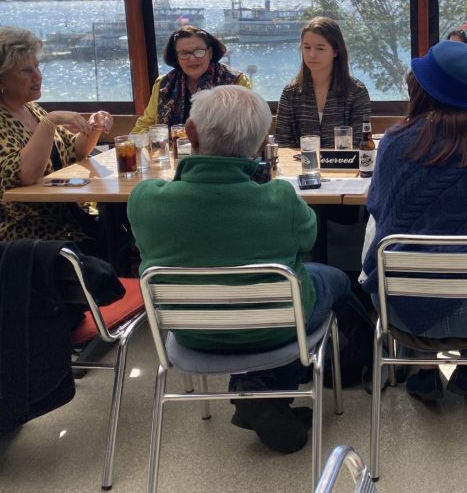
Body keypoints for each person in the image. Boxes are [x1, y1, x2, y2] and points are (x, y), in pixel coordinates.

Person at [128, 84, 352, 454]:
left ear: (191, 132)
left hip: (191, 334)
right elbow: (308, 240)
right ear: (262, 141)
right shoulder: (280, 199)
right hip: (277, 328)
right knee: (337, 280)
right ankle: (291, 385)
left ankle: (259, 391)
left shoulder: (145, 200)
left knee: (255, 289)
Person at [360, 40, 467, 402]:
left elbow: (377, 206)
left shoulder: (394, 143)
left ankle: (424, 371)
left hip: (402, 309)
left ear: (421, 89)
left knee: (386, 239)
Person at [0, 28, 113, 242]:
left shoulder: (32, 110)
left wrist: (94, 127)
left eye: (36, 67)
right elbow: (22, 176)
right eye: (26, 71)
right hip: (4, 236)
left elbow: (73, 151)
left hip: (55, 223)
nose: (38, 76)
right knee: (107, 239)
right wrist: (50, 121)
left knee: (117, 227)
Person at [131, 25, 250, 134]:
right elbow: (145, 126)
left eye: (199, 52)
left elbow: (248, 127)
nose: (192, 59)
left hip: (221, 154)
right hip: (172, 155)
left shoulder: (236, 81)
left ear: (210, 53)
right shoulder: (163, 85)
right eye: (184, 53)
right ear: (177, 58)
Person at [274, 17, 371, 149]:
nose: (312, 54)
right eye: (306, 47)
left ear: (335, 51)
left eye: (320, 48)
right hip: (301, 166)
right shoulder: (291, 92)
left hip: (344, 167)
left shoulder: (356, 92)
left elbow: (359, 143)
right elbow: (283, 142)